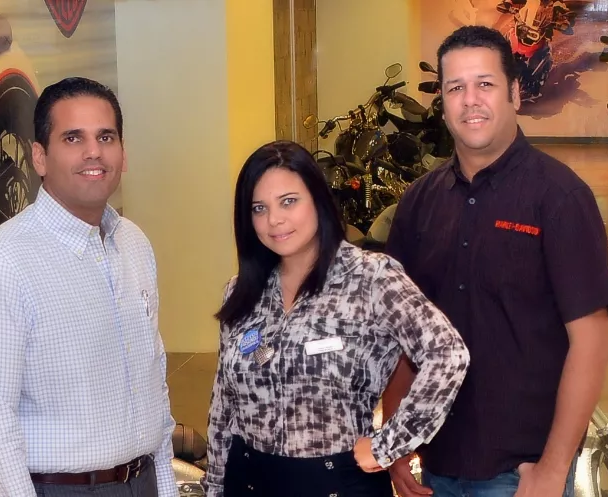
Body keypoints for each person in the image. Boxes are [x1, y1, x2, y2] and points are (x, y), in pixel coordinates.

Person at [382, 25, 608, 497]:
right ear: (442, 101)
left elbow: (590, 342)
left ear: (514, 92)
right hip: (438, 460)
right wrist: (396, 436)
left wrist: (553, 468)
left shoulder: (559, 198)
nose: (470, 100)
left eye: (485, 84)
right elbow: (401, 333)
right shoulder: (419, 202)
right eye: (456, 88)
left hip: (522, 470)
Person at [0, 77, 179, 497]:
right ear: (39, 157)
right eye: (73, 138)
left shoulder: (133, 243)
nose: (93, 151)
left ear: (123, 153)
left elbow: (153, 384)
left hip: (142, 481)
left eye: (105, 137)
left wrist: (164, 486)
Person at [201, 140, 471, 497]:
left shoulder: (371, 278)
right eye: (259, 208)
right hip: (248, 481)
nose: (274, 220)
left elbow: (448, 354)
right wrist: (214, 487)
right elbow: (224, 405)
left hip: (337, 483)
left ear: (318, 199)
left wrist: (389, 445)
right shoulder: (242, 291)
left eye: (288, 201)